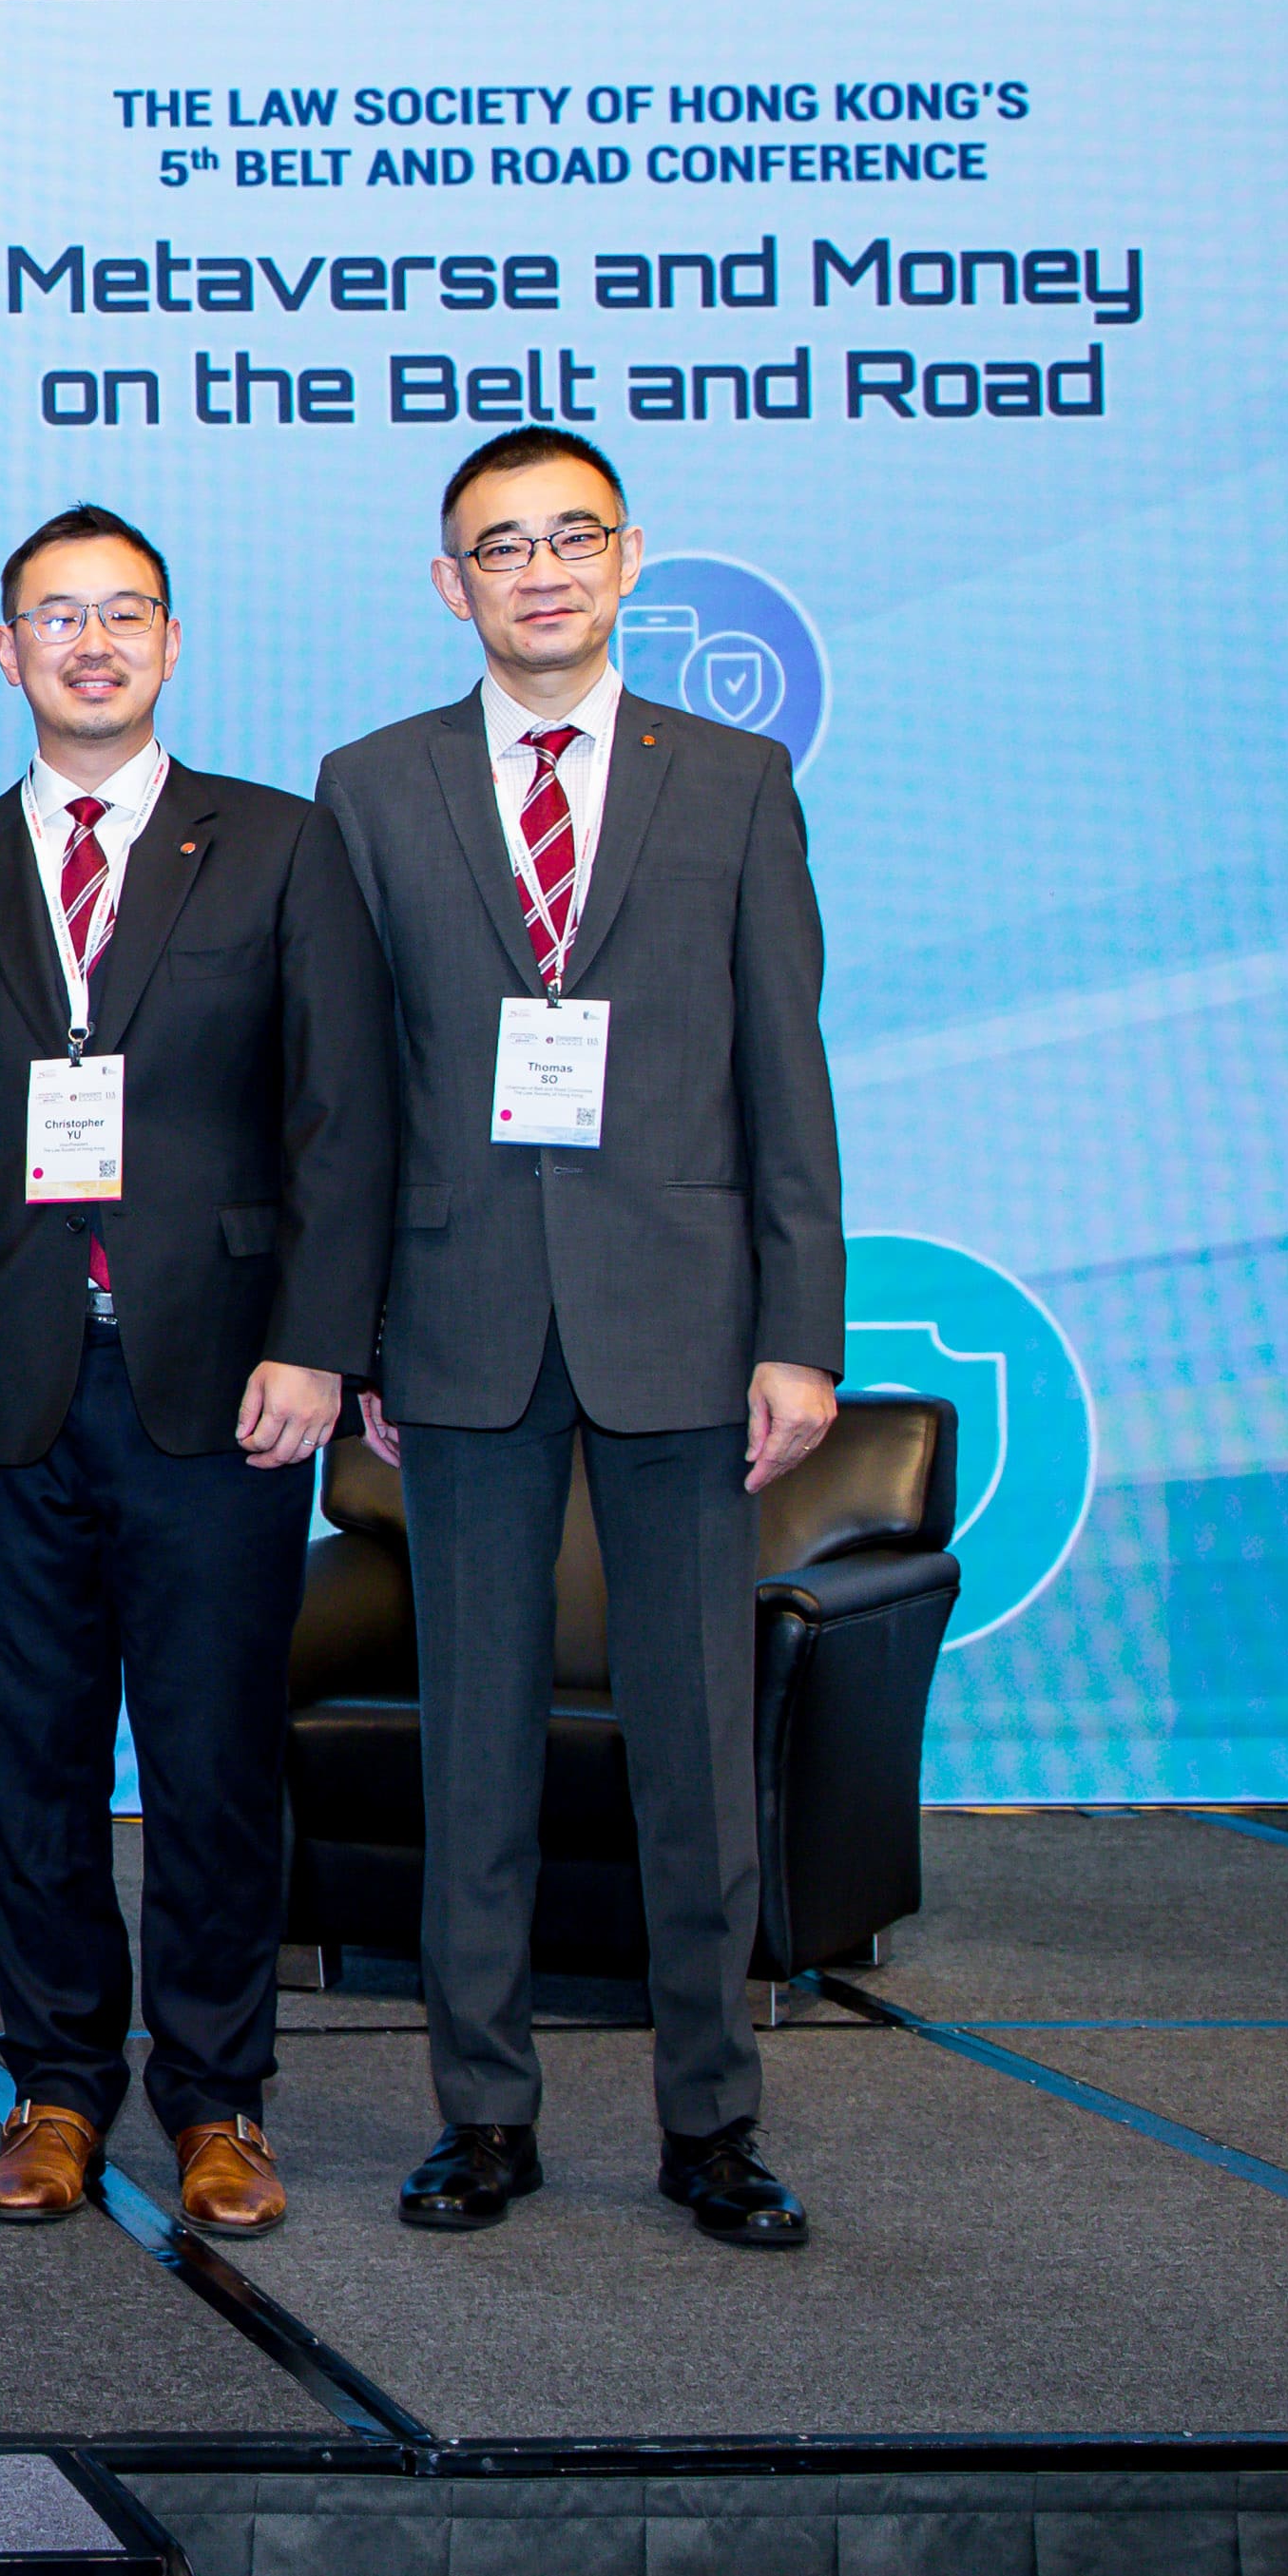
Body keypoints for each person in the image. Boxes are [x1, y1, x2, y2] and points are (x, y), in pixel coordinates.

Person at [316, 426, 843, 2251]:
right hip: (457, 1319)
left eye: (570, 537)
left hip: (683, 1325)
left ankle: (712, 2120)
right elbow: (350, 1090)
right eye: (499, 545)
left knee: (693, 1747)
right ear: (446, 582)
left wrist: (797, 1328)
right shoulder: (370, 785)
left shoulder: (735, 778)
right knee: (473, 1750)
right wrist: (353, 1329)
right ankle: (482, 2113)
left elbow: (785, 1068)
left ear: (625, 560)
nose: (538, 571)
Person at [0, 509, 391, 2240]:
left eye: (123, 613)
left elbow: (341, 1112)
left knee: (208, 1761)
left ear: (171, 642)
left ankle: (214, 2097)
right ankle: (53, 2083)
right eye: (56, 615)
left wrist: (318, 1341)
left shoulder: (279, 844)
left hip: (223, 1379)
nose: (90, 643)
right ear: (5, 650)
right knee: (30, 1760)